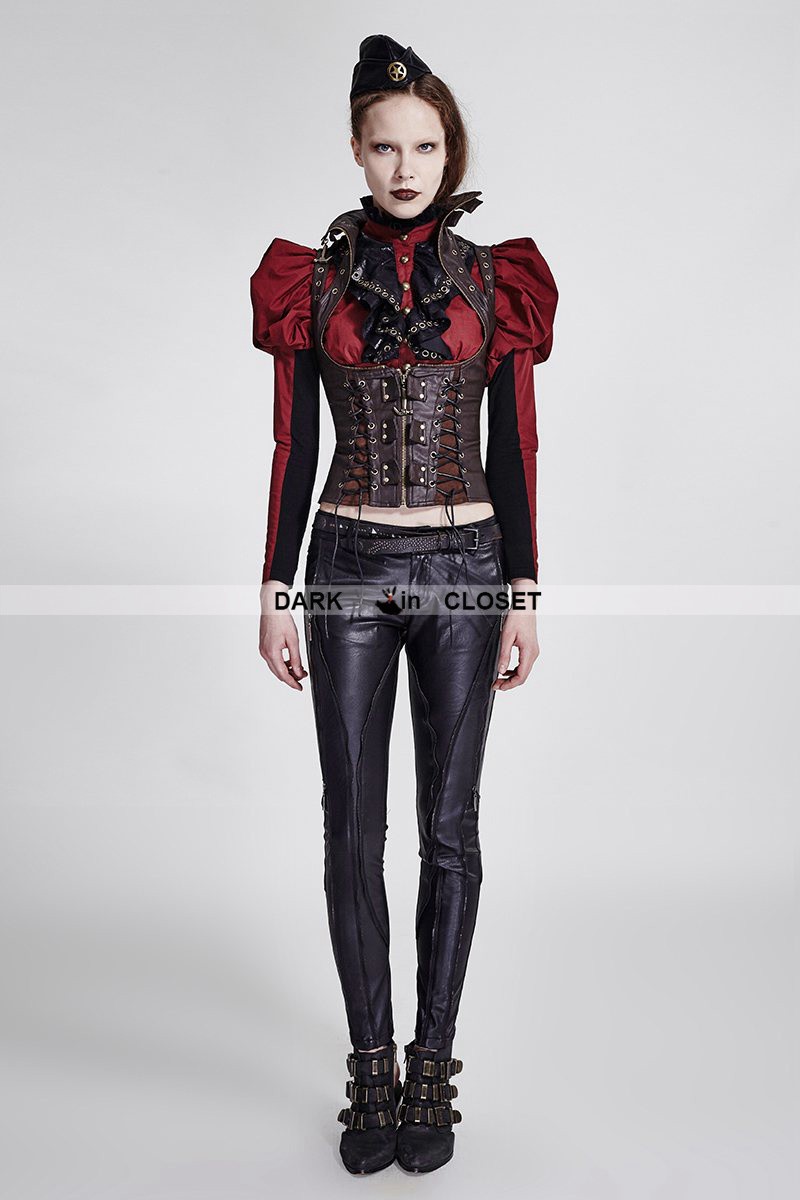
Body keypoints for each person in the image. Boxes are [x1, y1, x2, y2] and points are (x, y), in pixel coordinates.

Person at [250, 33, 558, 1175]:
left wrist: (524, 589)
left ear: (446, 151)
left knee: (449, 827)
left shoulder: (494, 283)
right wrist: (276, 588)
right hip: (344, 566)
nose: (405, 166)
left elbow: (513, 445)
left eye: (424, 146)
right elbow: (293, 444)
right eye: (385, 147)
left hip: (469, 569)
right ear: (356, 150)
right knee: (352, 826)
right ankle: (370, 1061)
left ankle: (433, 1063)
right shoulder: (314, 284)